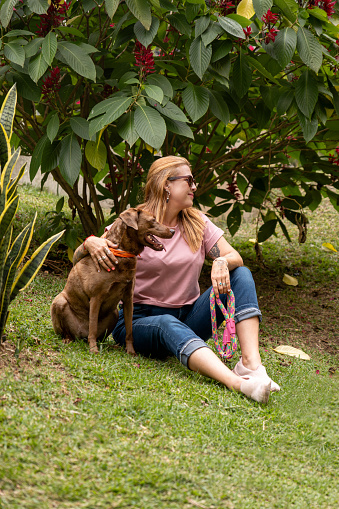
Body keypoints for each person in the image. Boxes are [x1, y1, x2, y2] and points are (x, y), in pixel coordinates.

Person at [73, 156, 280, 403]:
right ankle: (238, 384)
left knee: (241, 274)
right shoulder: (136, 221)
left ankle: (251, 368)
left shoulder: (197, 223)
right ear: (166, 185)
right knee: (165, 323)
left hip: (189, 316)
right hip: (142, 320)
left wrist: (221, 261)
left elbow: (234, 255)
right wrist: (90, 242)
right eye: (189, 180)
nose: (194, 186)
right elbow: (79, 257)